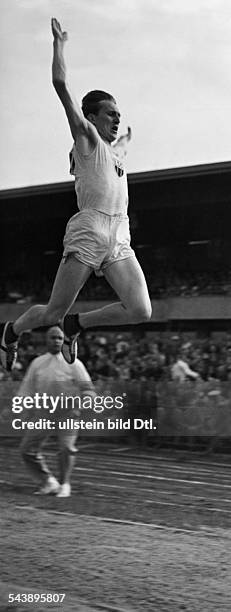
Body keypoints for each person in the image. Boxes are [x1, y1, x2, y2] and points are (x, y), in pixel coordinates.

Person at [0, 17, 151, 372]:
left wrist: (126, 137)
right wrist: (59, 44)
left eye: (119, 115)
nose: (116, 120)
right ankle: (12, 330)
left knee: (141, 310)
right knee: (53, 311)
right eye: (110, 114)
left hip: (119, 233)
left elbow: (122, 145)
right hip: (90, 228)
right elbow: (59, 82)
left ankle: (77, 325)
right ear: (92, 118)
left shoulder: (114, 152)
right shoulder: (87, 138)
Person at [18, 326, 95, 497]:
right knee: (26, 449)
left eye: (60, 338)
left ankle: (65, 484)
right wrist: (24, 409)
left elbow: (88, 390)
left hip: (68, 413)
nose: (56, 341)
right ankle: (48, 482)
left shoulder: (74, 363)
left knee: (66, 448)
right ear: (46, 340)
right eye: (53, 338)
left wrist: (80, 408)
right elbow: (27, 390)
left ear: (64, 341)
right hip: (43, 412)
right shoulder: (37, 363)